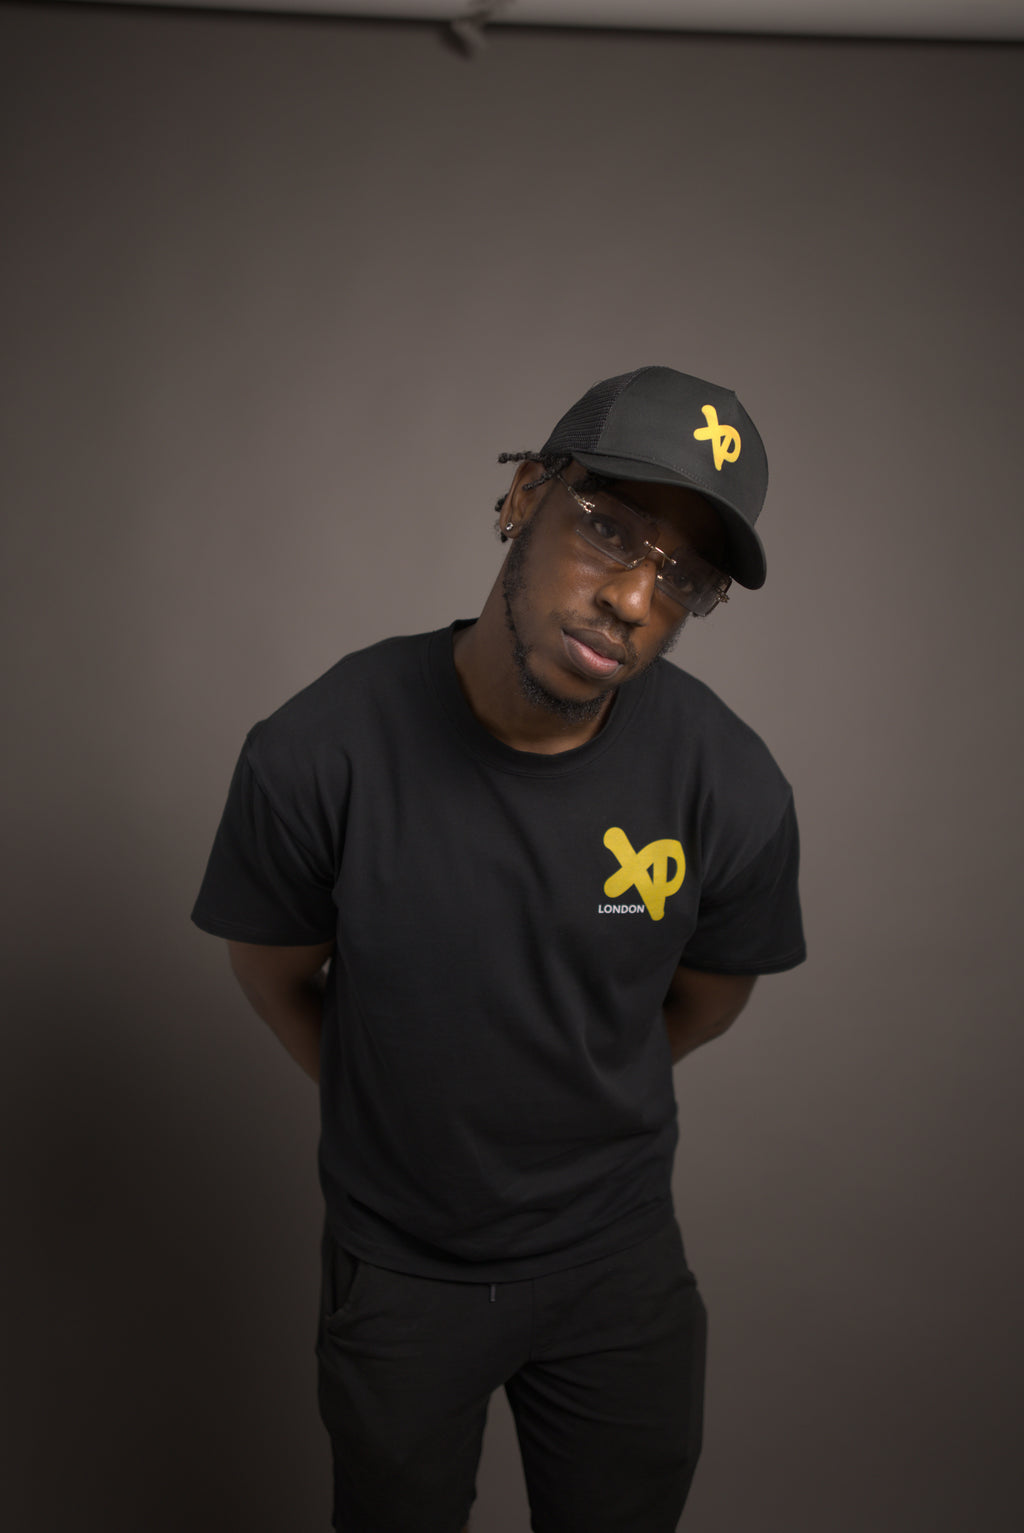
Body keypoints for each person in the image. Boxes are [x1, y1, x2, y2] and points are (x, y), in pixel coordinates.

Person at [191, 365, 806, 1533]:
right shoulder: (321, 751)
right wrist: (400, 1109)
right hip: (403, 1273)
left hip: (618, 1269)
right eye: (609, 531)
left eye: (681, 577)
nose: (632, 597)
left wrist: (570, 1094)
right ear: (526, 495)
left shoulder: (728, 786)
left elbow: (712, 997)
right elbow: (273, 972)